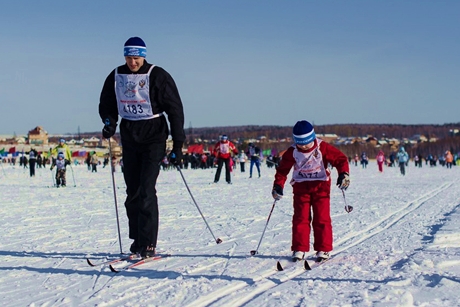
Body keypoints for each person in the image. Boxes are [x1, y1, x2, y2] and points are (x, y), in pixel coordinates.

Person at [99, 36, 185, 258]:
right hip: (130, 136)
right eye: (128, 57)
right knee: (133, 191)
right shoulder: (117, 75)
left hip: (154, 136)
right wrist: (109, 122)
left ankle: (148, 243)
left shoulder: (157, 75)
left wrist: (178, 144)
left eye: (136, 58)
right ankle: (137, 240)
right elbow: (107, 103)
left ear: (143, 56)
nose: (132, 62)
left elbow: (175, 109)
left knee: (147, 190)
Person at [271, 120, 350, 263]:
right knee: (300, 218)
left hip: (321, 187)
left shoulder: (322, 147)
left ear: (313, 138)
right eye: (300, 143)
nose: (304, 146)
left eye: (307, 142)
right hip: (301, 187)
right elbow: (282, 170)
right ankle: (299, 248)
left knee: (322, 217)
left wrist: (343, 173)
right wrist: (278, 185)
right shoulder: (292, 152)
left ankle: (323, 248)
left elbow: (340, 159)